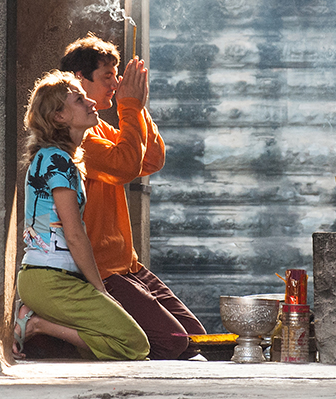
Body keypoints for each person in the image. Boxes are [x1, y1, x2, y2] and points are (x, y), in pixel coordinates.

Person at [60, 35, 206, 360]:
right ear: (79, 79)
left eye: (117, 77)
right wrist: (128, 107)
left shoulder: (100, 129)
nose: (115, 85)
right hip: (101, 271)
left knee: (196, 338)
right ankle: (55, 334)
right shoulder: (75, 139)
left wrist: (137, 108)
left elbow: (151, 159)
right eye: (107, 77)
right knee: (171, 343)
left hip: (128, 266)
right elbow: (124, 166)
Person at [13, 70, 149, 361]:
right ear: (59, 117)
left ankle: (35, 321)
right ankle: (36, 324)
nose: (92, 103)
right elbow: (74, 234)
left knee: (128, 342)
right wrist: (101, 290)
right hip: (49, 279)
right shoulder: (56, 159)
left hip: (51, 279)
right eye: (79, 99)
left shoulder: (59, 158)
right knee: (134, 344)